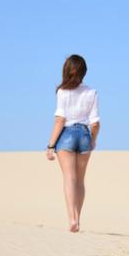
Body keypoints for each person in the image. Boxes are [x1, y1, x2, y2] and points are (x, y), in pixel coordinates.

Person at [46, 54, 100, 232]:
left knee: (69, 177)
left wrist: (51, 145)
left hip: (67, 134)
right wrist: (92, 140)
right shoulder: (91, 92)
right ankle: (78, 218)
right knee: (80, 180)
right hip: (85, 134)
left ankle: (72, 218)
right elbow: (95, 123)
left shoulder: (63, 92)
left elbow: (60, 120)